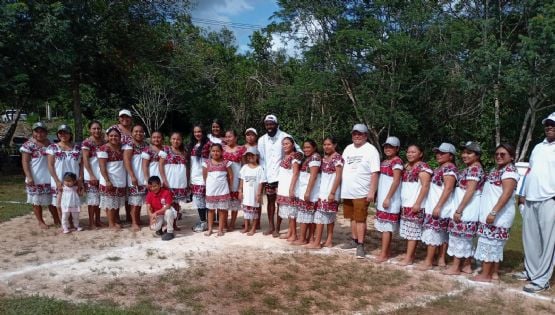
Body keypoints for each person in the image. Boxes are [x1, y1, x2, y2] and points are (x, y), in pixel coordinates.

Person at [515, 112, 555, 293]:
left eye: (553, 125)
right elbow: (529, 171)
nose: (549, 127)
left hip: (550, 199)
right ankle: (532, 271)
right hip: (531, 197)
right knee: (531, 238)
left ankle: (542, 280)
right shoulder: (538, 147)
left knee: (548, 241)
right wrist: (522, 193)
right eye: (547, 124)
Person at [473, 144, 519, 282]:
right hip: (492, 213)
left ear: (511, 157)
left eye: (503, 154)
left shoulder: (509, 172)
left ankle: (485, 275)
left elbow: (506, 194)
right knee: (495, 245)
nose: (499, 156)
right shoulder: (496, 169)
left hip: (499, 215)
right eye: (497, 154)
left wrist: (494, 212)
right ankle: (494, 273)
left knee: (490, 244)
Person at [340, 124, 380, 259]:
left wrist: (372, 192)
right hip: (348, 190)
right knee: (352, 217)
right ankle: (354, 239)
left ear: (365, 136)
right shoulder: (348, 149)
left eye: (360, 134)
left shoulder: (371, 150)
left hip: (361, 191)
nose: (357, 136)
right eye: (354, 134)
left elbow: (375, 173)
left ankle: (361, 245)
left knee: (360, 219)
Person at [444, 141, 484, 275]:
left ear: (477, 155)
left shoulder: (474, 169)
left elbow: (470, 190)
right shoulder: (471, 167)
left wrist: (459, 209)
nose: (464, 155)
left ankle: (456, 267)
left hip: (466, 208)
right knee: (464, 238)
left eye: (469, 152)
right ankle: (466, 265)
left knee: (459, 237)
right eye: (464, 152)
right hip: (466, 207)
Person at [419, 143, 458, 270]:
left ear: (450, 156)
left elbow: (448, 188)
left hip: (440, 206)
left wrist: (438, 206)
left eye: (442, 153)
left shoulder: (449, 169)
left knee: (433, 233)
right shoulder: (442, 167)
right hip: (437, 205)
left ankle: (429, 261)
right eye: (438, 152)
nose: (438, 155)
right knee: (441, 234)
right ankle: (440, 259)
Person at [258, 114, 295, 237]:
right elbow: (262, 160)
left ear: (276, 124)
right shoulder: (262, 140)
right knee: (270, 201)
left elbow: (298, 151)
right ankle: (271, 226)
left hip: (282, 176)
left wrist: (293, 159)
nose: (269, 126)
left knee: (280, 203)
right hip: (268, 176)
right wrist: (263, 177)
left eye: (271, 124)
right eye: (267, 124)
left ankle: (277, 228)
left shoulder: (285, 136)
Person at [20, 122, 60, 228]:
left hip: (50, 177)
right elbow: (25, 162)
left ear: (46, 132)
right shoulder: (28, 145)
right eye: (36, 131)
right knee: (36, 201)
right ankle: (40, 221)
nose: (39, 134)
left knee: (52, 201)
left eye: (42, 131)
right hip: (35, 177)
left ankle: (57, 219)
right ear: (33, 133)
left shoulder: (51, 144)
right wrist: (29, 176)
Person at [398, 145, 432, 266]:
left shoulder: (423, 167)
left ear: (420, 154)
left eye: (413, 152)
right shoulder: (406, 166)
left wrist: (417, 203)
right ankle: (409, 255)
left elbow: (425, 186)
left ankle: (409, 257)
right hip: (405, 203)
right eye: (408, 152)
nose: (410, 154)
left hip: (415, 203)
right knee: (408, 231)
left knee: (413, 232)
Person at [307, 136, 343, 249]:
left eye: (329, 144)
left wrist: (332, 192)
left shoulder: (338, 158)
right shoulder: (324, 158)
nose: (326, 147)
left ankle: (317, 242)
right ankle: (328, 241)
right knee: (328, 217)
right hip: (323, 191)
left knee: (321, 217)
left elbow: (338, 176)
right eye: (324, 144)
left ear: (335, 145)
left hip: (331, 191)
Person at [374, 136, 403, 262]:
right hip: (383, 198)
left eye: (391, 147)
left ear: (397, 148)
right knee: (384, 227)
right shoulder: (385, 161)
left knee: (387, 228)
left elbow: (396, 181)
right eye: (386, 146)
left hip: (390, 199)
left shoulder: (397, 162)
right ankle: (385, 251)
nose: (387, 149)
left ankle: (384, 254)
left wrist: (388, 198)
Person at [46, 124, 83, 221]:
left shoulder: (77, 148)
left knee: (72, 202)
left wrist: (80, 179)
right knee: (60, 203)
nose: (63, 135)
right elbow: (50, 165)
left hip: (73, 181)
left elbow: (81, 165)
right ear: (57, 134)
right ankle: (64, 223)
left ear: (70, 134)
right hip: (58, 180)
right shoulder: (52, 148)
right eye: (60, 133)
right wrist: (57, 181)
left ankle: (72, 222)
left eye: (66, 133)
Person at [98, 127, 127, 230]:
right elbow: (102, 166)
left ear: (119, 137)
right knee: (110, 203)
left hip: (119, 178)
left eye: (116, 136)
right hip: (109, 179)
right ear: (107, 136)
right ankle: (111, 224)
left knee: (115, 202)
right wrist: (107, 180)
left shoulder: (121, 147)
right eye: (111, 136)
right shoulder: (103, 148)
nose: (113, 137)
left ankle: (114, 221)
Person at [293, 139, 321, 246]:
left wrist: (308, 191)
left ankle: (303, 238)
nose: (306, 149)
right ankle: (309, 238)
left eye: (308, 147)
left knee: (305, 215)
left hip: (310, 191)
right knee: (308, 216)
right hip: (306, 190)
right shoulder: (309, 158)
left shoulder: (315, 158)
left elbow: (313, 176)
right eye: (304, 147)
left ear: (314, 147)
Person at [159, 132, 188, 231]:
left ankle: (174, 224)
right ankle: (166, 224)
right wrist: (164, 180)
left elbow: (186, 168)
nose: (176, 141)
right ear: (170, 140)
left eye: (178, 139)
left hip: (180, 182)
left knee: (176, 205)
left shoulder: (184, 152)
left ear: (181, 141)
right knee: (167, 204)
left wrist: (187, 181)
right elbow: (161, 165)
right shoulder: (165, 149)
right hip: (169, 181)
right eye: (174, 139)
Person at [108, 109, 133, 223]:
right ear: (119, 118)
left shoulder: (134, 130)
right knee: (116, 191)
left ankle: (129, 216)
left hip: (132, 164)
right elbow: (107, 142)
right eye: (122, 117)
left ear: (130, 118)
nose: (124, 119)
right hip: (117, 165)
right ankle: (116, 217)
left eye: (127, 117)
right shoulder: (114, 129)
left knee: (129, 192)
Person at [276, 137, 302, 242]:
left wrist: (291, 188)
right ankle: (290, 232)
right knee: (288, 211)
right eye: (283, 144)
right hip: (284, 186)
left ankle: (294, 234)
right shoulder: (286, 156)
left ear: (292, 144)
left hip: (290, 187)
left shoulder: (295, 156)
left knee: (292, 213)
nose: (285, 146)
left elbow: (295, 173)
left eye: (287, 143)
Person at [203, 143, 233, 236]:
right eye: (213, 151)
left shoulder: (226, 162)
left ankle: (220, 229)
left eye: (217, 151)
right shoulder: (206, 163)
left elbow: (231, 176)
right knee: (211, 210)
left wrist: (230, 187)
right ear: (210, 152)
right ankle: (210, 229)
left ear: (221, 152)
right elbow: (205, 176)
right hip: (211, 190)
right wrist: (208, 186)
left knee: (222, 210)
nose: (215, 153)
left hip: (223, 190)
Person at [123, 125, 148, 231]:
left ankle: (137, 219)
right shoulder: (129, 145)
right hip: (134, 176)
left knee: (140, 200)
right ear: (132, 133)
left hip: (144, 176)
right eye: (136, 131)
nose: (138, 133)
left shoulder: (146, 145)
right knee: (134, 202)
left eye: (141, 131)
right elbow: (126, 161)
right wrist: (132, 176)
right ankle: (134, 222)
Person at [82, 120, 105, 229]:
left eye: (98, 128)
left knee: (98, 200)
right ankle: (91, 222)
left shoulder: (104, 142)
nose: (96, 130)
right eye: (94, 128)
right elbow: (85, 160)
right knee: (92, 201)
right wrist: (91, 175)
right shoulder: (87, 143)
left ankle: (98, 220)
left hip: (101, 175)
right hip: (90, 175)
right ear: (89, 130)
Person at [188, 125, 211, 232]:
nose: (197, 134)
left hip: (204, 177)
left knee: (205, 200)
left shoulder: (208, 144)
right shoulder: (191, 145)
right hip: (194, 177)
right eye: (195, 132)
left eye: (200, 131)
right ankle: (203, 221)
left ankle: (206, 223)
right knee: (199, 201)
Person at [238, 147, 266, 235]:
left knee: (254, 212)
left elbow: (261, 182)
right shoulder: (245, 167)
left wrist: (259, 193)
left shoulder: (260, 169)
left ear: (257, 156)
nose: (250, 157)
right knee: (246, 212)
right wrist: (240, 191)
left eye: (252, 155)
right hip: (246, 194)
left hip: (254, 194)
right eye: (248, 155)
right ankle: (246, 227)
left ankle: (253, 229)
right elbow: (242, 180)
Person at [223, 130, 246, 231]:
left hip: (237, 178)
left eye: (230, 136)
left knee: (235, 202)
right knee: (223, 202)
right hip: (223, 178)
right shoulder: (222, 148)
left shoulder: (241, 149)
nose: (228, 139)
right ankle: (224, 223)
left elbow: (244, 166)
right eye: (226, 137)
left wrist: (242, 182)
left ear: (236, 137)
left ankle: (232, 223)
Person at [146, 176, 177, 241]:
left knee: (169, 212)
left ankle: (170, 232)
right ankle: (160, 229)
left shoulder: (166, 192)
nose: (153, 188)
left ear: (160, 184)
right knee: (153, 227)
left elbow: (168, 206)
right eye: (151, 187)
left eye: (155, 186)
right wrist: (151, 217)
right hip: (158, 215)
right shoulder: (149, 195)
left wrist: (156, 213)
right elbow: (148, 208)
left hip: (167, 213)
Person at [243, 127, 260, 225]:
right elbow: (242, 162)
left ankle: (256, 222)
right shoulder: (242, 147)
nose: (250, 136)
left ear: (256, 136)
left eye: (252, 134)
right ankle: (247, 222)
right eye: (248, 134)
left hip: (257, 173)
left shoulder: (259, 146)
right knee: (247, 198)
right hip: (246, 174)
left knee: (257, 198)